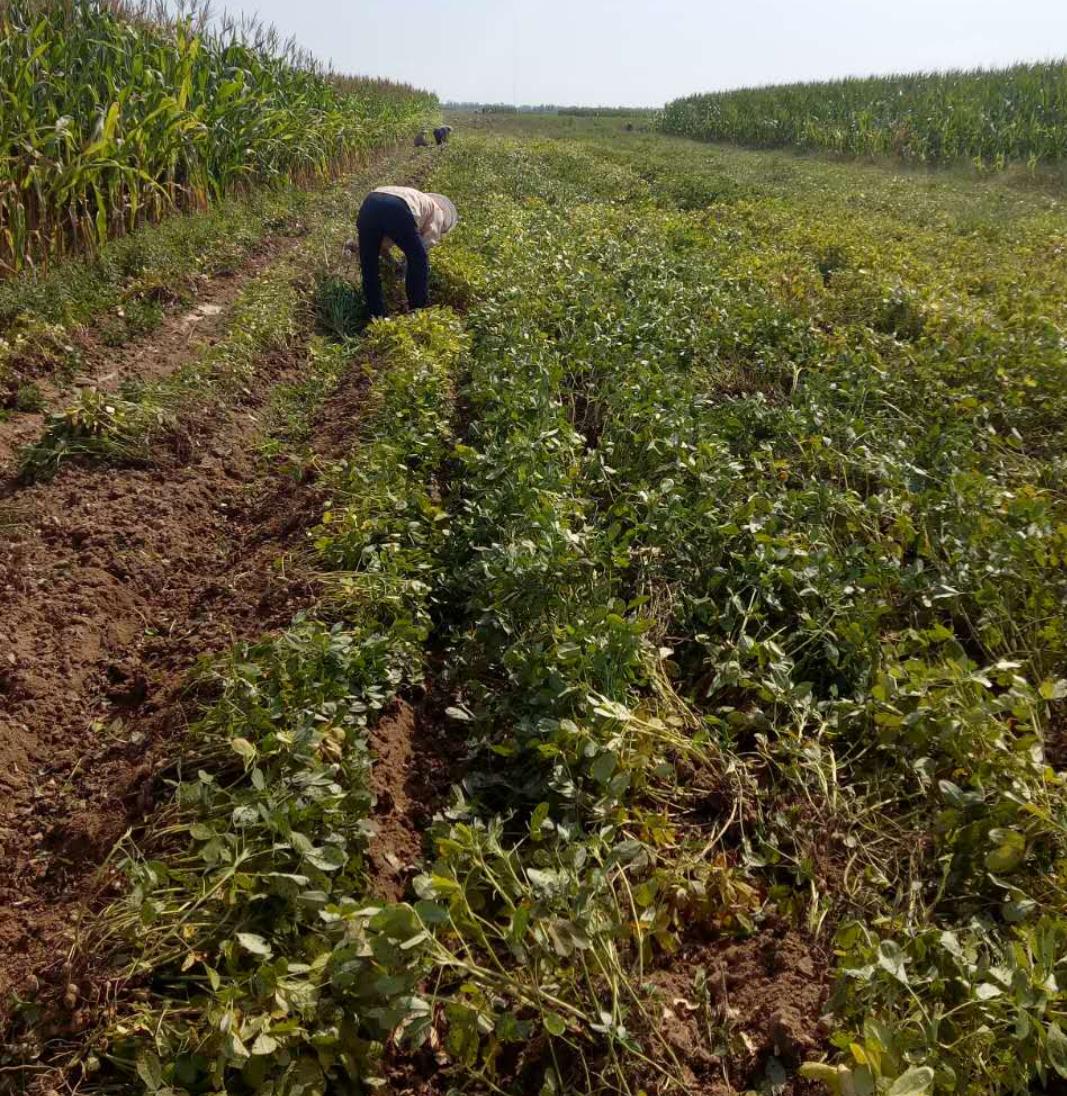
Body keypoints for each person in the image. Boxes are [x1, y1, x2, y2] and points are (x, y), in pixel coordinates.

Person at [343, 187, 458, 319]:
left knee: (369, 266)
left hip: (370, 203)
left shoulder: (418, 200)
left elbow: (381, 246)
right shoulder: (438, 213)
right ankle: (417, 310)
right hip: (397, 208)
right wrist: (405, 266)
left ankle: (376, 315)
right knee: (419, 259)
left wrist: (393, 263)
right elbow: (422, 249)